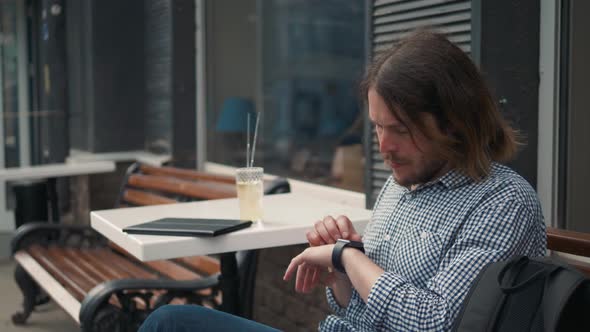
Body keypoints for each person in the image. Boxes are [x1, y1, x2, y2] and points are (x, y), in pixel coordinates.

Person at [139, 29, 546, 332]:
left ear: (454, 123)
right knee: (170, 323)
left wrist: (348, 257)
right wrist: (343, 273)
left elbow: (435, 324)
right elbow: (353, 310)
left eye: (400, 130)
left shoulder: (501, 201)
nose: (383, 148)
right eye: (376, 128)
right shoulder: (402, 186)